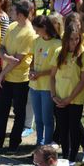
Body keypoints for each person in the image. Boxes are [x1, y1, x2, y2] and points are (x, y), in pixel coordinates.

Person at [0, 0, 36, 152]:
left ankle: (14, 144)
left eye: (13, 11)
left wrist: (3, 73)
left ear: (20, 14)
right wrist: (6, 58)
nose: (11, 13)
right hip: (8, 76)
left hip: (21, 78)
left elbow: (19, 59)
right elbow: (2, 47)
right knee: (2, 109)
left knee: (19, 112)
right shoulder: (13, 26)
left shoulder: (30, 32)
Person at [51, 23, 84, 166]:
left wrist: (69, 99)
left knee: (74, 129)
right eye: (71, 39)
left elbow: (83, 81)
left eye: (76, 39)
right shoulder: (58, 52)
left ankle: (73, 158)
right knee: (62, 128)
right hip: (59, 98)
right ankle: (65, 156)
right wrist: (54, 96)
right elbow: (52, 77)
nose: (73, 42)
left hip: (75, 100)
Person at [29, 14, 62, 147]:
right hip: (34, 86)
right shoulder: (37, 41)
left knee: (47, 118)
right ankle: (39, 144)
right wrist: (31, 71)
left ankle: (47, 144)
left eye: (37, 29)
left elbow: (56, 69)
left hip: (48, 87)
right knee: (38, 119)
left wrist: (40, 74)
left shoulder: (57, 44)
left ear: (44, 27)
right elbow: (33, 59)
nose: (35, 32)